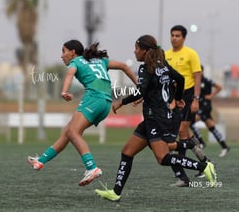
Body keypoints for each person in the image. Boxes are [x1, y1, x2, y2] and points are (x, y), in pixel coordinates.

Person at [95, 35, 217, 202]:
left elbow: (141, 91)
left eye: (137, 48)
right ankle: (116, 192)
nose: (134, 51)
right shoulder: (162, 65)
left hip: (157, 119)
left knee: (163, 158)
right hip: (156, 118)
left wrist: (121, 102)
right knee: (127, 152)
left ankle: (204, 166)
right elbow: (179, 79)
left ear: (145, 51)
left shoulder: (146, 68)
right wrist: (178, 98)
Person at [27, 40, 138, 186]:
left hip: (93, 99)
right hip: (105, 103)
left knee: (73, 132)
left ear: (72, 52)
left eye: (63, 51)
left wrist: (64, 91)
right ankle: (41, 161)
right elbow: (124, 66)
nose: (62, 55)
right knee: (68, 130)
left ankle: (92, 167)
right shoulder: (98, 60)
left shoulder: (76, 62)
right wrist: (139, 87)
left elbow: (69, 74)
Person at [165, 25, 209, 187]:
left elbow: (197, 77)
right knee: (185, 134)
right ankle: (205, 162)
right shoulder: (166, 55)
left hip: (188, 96)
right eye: (172, 35)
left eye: (177, 35)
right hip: (170, 97)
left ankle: (182, 175)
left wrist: (196, 99)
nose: (174, 38)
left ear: (184, 38)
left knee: (182, 130)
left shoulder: (191, 54)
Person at [192, 65, 230, 157]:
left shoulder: (206, 81)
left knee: (190, 121)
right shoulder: (194, 82)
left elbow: (219, 87)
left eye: (200, 71)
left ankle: (201, 142)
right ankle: (225, 146)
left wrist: (211, 96)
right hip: (199, 106)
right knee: (211, 127)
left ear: (203, 71)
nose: (199, 73)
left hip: (205, 106)